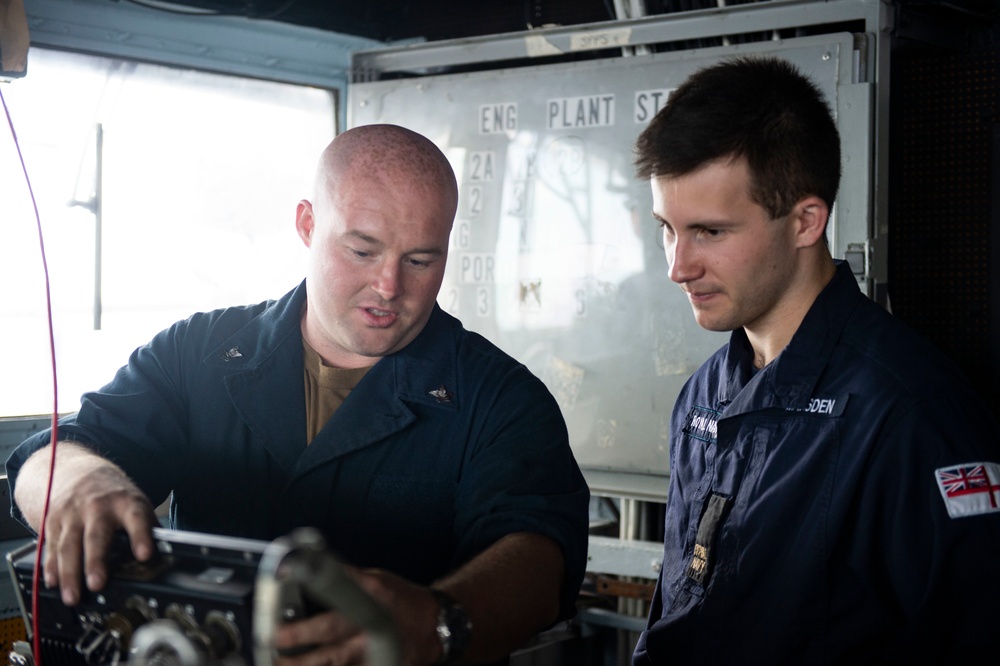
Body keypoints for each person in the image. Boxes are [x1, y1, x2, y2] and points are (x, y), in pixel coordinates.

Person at [7, 124, 591, 666]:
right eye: (362, 250)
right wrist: (80, 483)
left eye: (420, 259)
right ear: (308, 224)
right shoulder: (199, 352)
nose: (389, 286)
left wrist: (438, 622)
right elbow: (48, 458)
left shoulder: (503, 399)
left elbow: (539, 563)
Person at [630, 56, 1000, 664]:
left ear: (806, 221)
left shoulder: (912, 418)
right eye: (667, 228)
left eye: (711, 232)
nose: (678, 266)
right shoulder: (702, 398)